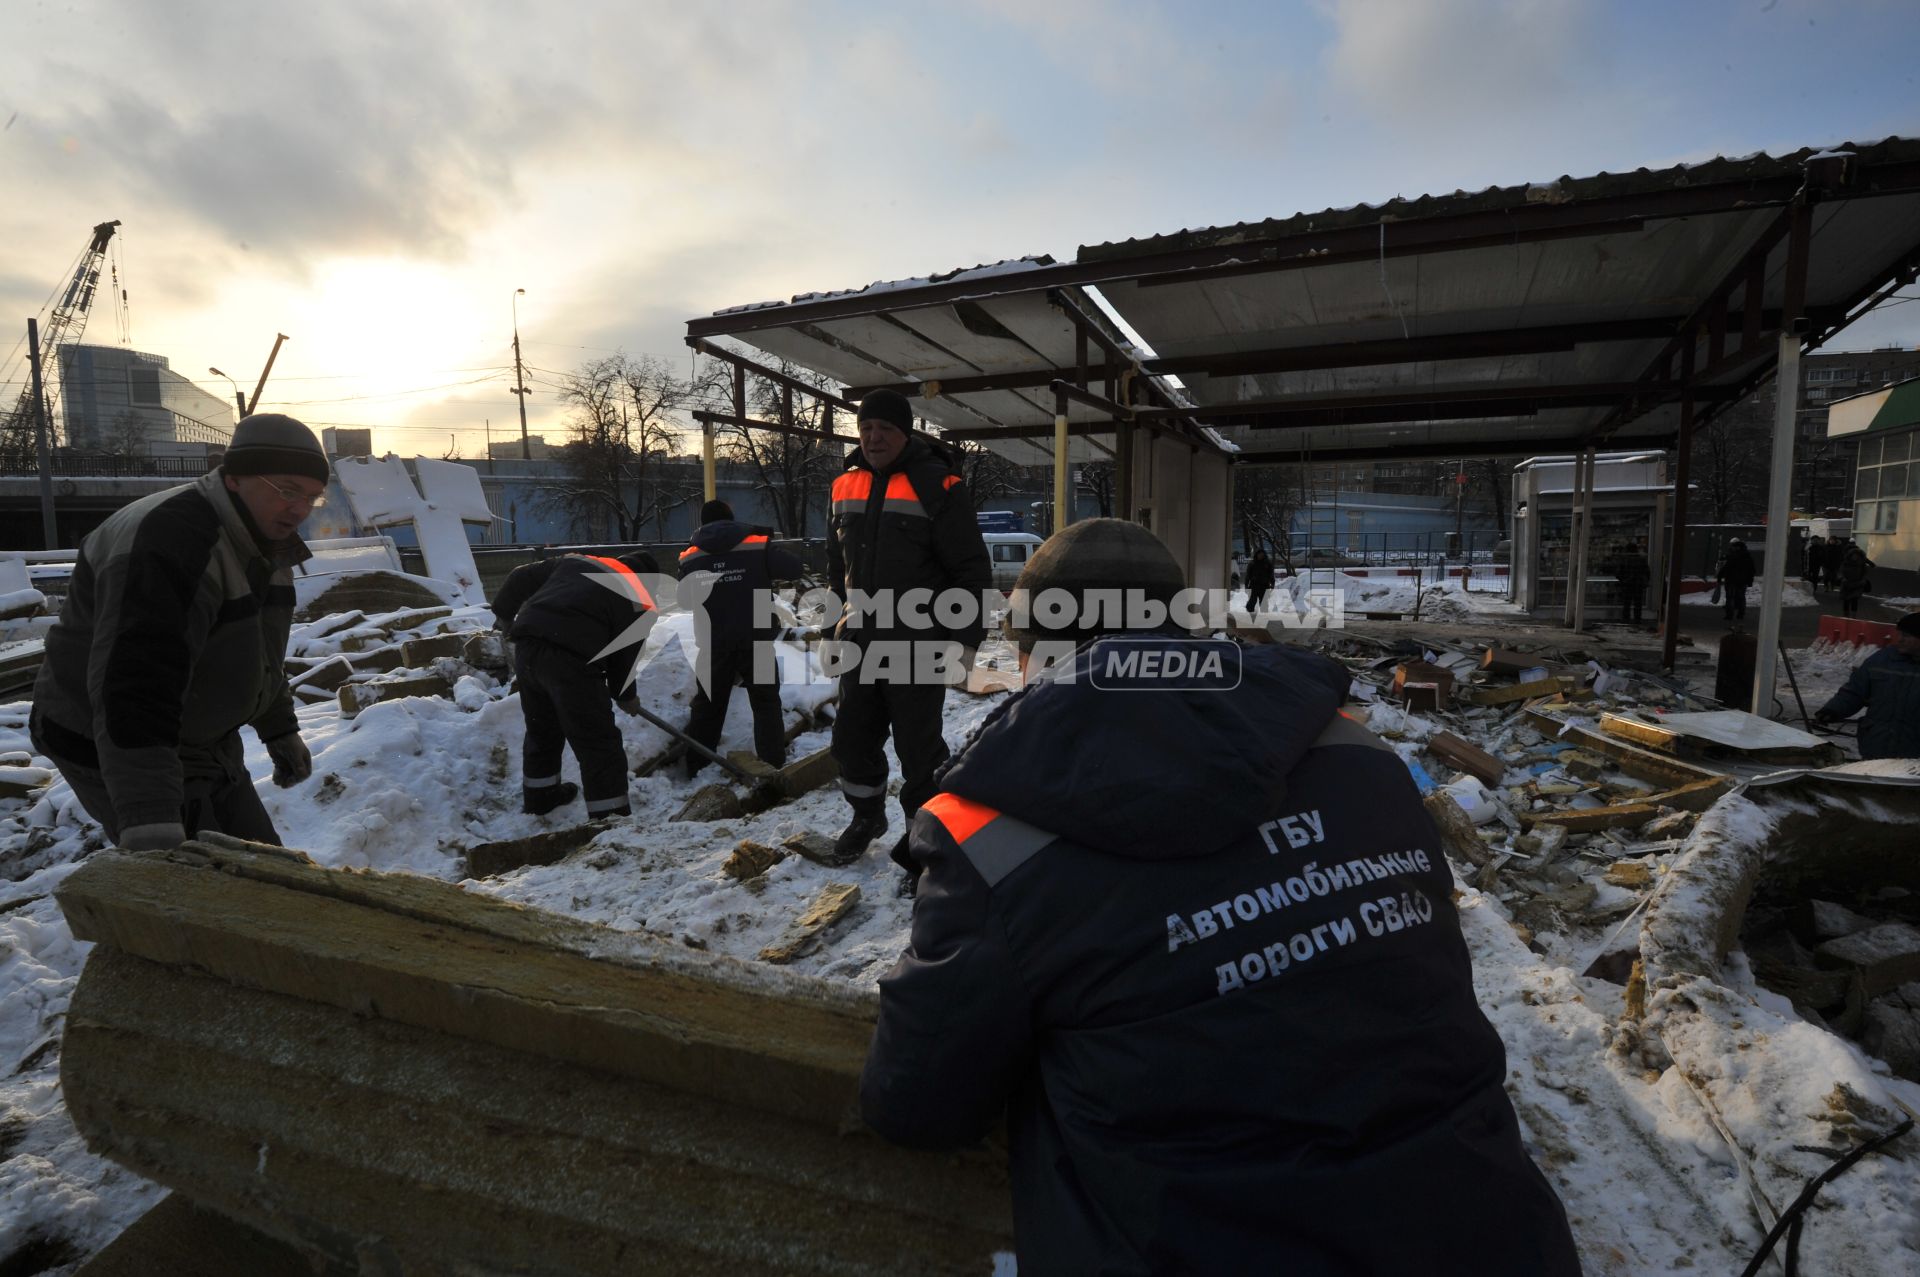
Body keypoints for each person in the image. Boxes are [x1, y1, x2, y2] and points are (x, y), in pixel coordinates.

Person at [859, 519, 1581, 1275]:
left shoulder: (993, 832)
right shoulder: (1358, 756)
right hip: (1494, 1237)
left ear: (1035, 647)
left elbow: (915, 1103)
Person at [29, 413, 325, 849]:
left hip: (202, 737)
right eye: (287, 490)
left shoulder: (264, 540)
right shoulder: (171, 543)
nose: (299, 509)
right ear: (234, 478)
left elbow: (255, 650)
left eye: (312, 497)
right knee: (204, 893)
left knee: (263, 871)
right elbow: (135, 687)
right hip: (114, 739)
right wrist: (149, 816)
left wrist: (278, 727)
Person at [825, 388, 992, 868]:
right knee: (851, 742)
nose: (874, 438)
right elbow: (837, 567)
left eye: (886, 430)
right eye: (867, 428)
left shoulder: (939, 485)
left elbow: (970, 571)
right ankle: (866, 816)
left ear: (906, 433)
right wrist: (832, 626)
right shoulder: (844, 486)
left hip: (918, 642)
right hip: (859, 641)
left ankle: (925, 841)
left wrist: (964, 642)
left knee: (919, 752)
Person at [492, 548, 660, 819]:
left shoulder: (575, 563)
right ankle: (611, 817)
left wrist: (504, 615)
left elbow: (519, 576)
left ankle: (540, 798)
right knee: (598, 743)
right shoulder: (639, 599)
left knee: (542, 730)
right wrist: (625, 694)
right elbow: (624, 658)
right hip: (571, 661)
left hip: (527, 648)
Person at [677, 499, 804, 779]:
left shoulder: (690, 557)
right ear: (732, 519)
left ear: (703, 524)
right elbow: (794, 568)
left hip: (714, 643)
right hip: (755, 638)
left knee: (708, 706)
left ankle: (697, 766)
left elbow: (684, 600)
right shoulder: (756, 545)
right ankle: (772, 763)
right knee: (765, 703)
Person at [1815, 613, 1920, 759]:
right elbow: (1855, 691)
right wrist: (1833, 710)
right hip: (1877, 745)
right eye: (1900, 634)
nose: (1900, 639)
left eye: (1907, 636)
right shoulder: (1882, 660)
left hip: (1914, 753)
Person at [1610, 540, 1652, 626]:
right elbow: (1647, 572)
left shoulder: (1624, 560)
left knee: (1626, 604)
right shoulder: (1641, 559)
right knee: (1638, 604)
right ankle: (1637, 620)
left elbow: (1618, 573)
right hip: (1638, 585)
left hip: (1627, 585)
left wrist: (1623, 580)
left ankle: (1626, 620)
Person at [1716, 537, 1755, 622]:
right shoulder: (1746, 555)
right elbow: (1751, 569)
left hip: (1731, 580)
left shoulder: (1732, 555)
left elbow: (1726, 567)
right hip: (1742, 580)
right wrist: (1750, 580)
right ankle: (1740, 614)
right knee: (1741, 597)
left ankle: (1729, 615)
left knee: (1730, 597)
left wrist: (1720, 576)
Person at [1837, 539, 1874, 618]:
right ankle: (1845, 616)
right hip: (1846, 584)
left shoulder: (1861, 564)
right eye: (1853, 555)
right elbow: (1840, 571)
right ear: (1850, 555)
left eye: (1856, 555)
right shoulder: (1845, 562)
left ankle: (1854, 617)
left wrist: (1863, 580)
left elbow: (1864, 573)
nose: (1855, 557)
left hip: (1857, 584)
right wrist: (1842, 578)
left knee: (1854, 600)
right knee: (1846, 600)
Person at [1243, 546, 1275, 615]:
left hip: (1264, 585)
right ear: (1256, 555)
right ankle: (1250, 615)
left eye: (1262, 555)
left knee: (1264, 603)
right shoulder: (1252, 564)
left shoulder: (1268, 564)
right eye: (1259, 554)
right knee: (1252, 601)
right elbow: (1248, 575)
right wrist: (1246, 585)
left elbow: (1271, 575)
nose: (1260, 556)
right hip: (1254, 585)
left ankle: (1264, 616)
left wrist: (1272, 584)